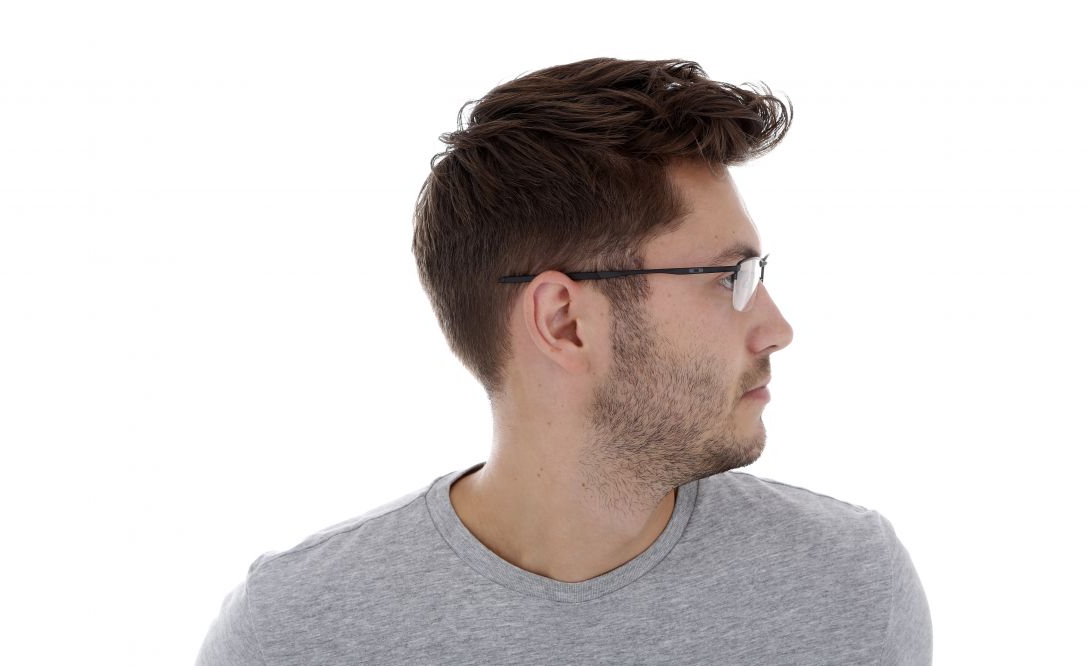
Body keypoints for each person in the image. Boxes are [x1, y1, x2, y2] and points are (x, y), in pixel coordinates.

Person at [197, 57, 924, 665]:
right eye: (727, 278)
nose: (776, 329)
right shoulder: (297, 632)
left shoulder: (850, 586)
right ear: (564, 322)